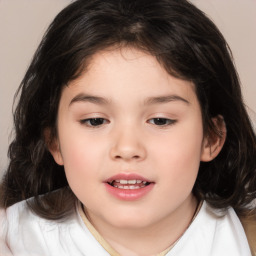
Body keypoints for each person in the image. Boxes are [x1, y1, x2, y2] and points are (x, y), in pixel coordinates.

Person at [0, 0, 256, 255]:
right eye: (95, 121)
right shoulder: (11, 239)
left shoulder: (247, 240)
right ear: (54, 141)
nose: (127, 148)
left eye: (160, 120)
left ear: (211, 137)